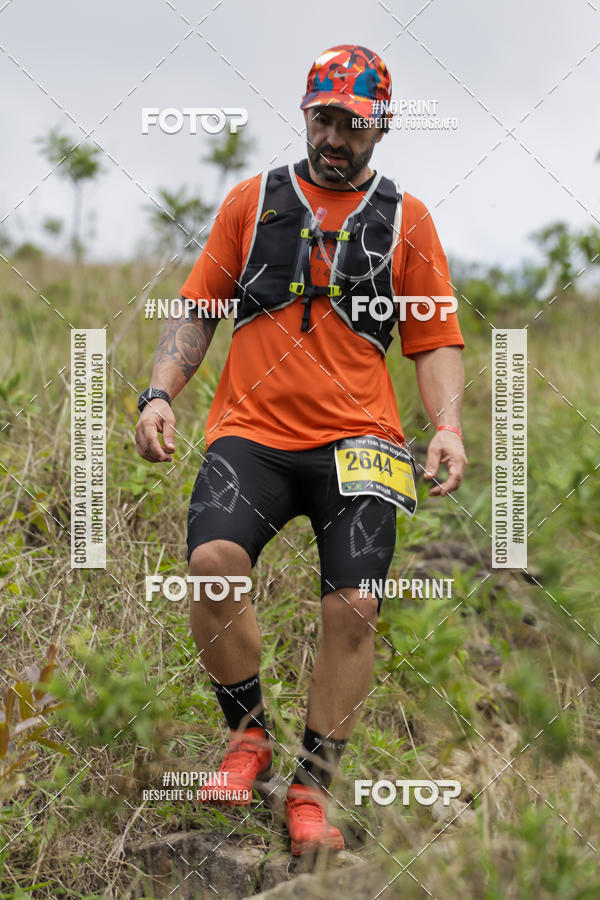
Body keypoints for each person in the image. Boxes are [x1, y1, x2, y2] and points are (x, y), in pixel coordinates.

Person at [135, 44, 467, 856]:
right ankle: (246, 737)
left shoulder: (409, 220)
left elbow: (434, 341)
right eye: (324, 118)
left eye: (354, 125)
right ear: (305, 113)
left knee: (353, 609)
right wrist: (158, 395)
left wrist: (449, 424)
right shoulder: (252, 203)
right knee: (214, 561)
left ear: (380, 127)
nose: (335, 137)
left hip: (365, 442)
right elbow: (198, 308)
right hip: (251, 433)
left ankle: (313, 787)